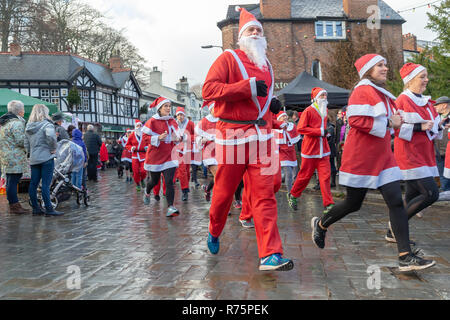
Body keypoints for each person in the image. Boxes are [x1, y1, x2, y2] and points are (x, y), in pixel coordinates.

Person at [310, 54, 435, 272]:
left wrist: (403, 123)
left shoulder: (383, 94)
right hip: (362, 157)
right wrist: (388, 122)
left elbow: (394, 122)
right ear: (368, 70)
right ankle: (321, 224)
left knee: (396, 202)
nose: (386, 68)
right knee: (353, 203)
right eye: (380, 65)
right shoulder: (362, 90)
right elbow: (355, 120)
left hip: (384, 157)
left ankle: (405, 256)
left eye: (385, 64)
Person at [202, 7, 293, 271]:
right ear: (241, 36)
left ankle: (270, 254)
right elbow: (209, 91)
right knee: (223, 194)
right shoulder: (228, 58)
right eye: (250, 30)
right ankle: (214, 228)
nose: (255, 33)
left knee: (265, 195)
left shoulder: (267, 65)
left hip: (261, 139)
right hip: (231, 137)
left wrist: (273, 108)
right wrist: (246, 87)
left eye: (259, 30)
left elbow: (260, 105)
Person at [391, 63, 443, 238]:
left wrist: (440, 125)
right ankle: (395, 227)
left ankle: (392, 232)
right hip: (409, 154)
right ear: (410, 80)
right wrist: (420, 127)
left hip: (425, 154)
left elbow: (434, 126)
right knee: (431, 193)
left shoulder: (427, 102)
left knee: (411, 197)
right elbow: (395, 128)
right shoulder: (402, 100)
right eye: (422, 77)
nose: (426, 80)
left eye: (426, 76)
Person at [287, 88, 335, 214]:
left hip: (323, 150)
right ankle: (293, 195)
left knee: (325, 177)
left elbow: (322, 129)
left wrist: (327, 134)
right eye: (322, 95)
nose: (325, 97)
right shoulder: (308, 111)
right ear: (315, 98)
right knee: (305, 177)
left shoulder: (325, 110)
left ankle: (328, 204)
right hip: (310, 150)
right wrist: (320, 132)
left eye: (325, 95)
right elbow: (301, 129)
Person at [142, 97, 182, 217]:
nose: (168, 108)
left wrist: (178, 138)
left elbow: (178, 135)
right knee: (154, 181)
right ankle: (147, 191)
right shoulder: (152, 121)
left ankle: (171, 207)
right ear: (159, 108)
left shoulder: (172, 121)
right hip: (155, 156)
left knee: (169, 181)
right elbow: (145, 138)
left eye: (169, 106)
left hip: (169, 155)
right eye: (166, 106)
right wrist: (157, 138)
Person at [25, 104, 63, 216]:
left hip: (34, 158)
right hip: (46, 157)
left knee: (33, 184)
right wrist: (53, 149)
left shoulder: (28, 126)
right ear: (44, 113)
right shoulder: (47, 124)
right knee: (46, 185)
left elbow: (25, 143)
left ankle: (36, 208)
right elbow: (51, 137)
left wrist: (29, 153)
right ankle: (49, 209)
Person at [0, 100, 30, 214]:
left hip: (6, 156)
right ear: (20, 111)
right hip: (15, 157)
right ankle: (14, 205)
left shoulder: (4, 122)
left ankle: (13, 203)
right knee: (13, 181)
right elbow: (21, 141)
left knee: (10, 181)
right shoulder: (17, 123)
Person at [195, 101, 218, 202]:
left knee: (220, 177)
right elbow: (196, 136)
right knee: (218, 176)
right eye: (215, 107)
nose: (218, 109)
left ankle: (207, 189)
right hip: (209, 153)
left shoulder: (222, 120)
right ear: (210, 109)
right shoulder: (204, 122)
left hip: (222, 153)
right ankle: (220, 204)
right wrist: (202, 139)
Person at [275, 110, 300, 194]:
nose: (285, 117)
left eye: (285, 116)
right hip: (282, 153)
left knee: (292, 172)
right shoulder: (275, 128)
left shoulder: (292, 126)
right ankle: (290, 193)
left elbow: (296, 138)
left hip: (291, 152)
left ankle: (287, 187)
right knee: (288, 172)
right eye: (283, 116)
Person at [175, 107, 195, 201]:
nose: (180, 117)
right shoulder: (173, 124)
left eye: (181, 114)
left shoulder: (190, 123)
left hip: (188, 150)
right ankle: (184, 190)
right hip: (178, 151)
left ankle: (186, 186)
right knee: (182, 170)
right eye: (178, 115)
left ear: (184, 115)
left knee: (186, 170)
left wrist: (187, 136)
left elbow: (196, 135)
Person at [433, 96, 450, 192]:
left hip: (448, 152)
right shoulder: (435, 118)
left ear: (444, 105)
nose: (434, 107)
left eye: (437, 105)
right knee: (442, 175)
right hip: (438, 152)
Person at [126, 120, 148, 192]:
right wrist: (131, 148)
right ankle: (138, 183)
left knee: (143, 171)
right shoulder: (132, 135)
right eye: (137, 126)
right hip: (135, 155)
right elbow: (128, 145)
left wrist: (147, 147)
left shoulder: (145, 134)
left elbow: (149, 142)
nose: (139, 127)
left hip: (143, 155)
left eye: (140, 126)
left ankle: (142, 179)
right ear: (135, 127)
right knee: (135, 171)